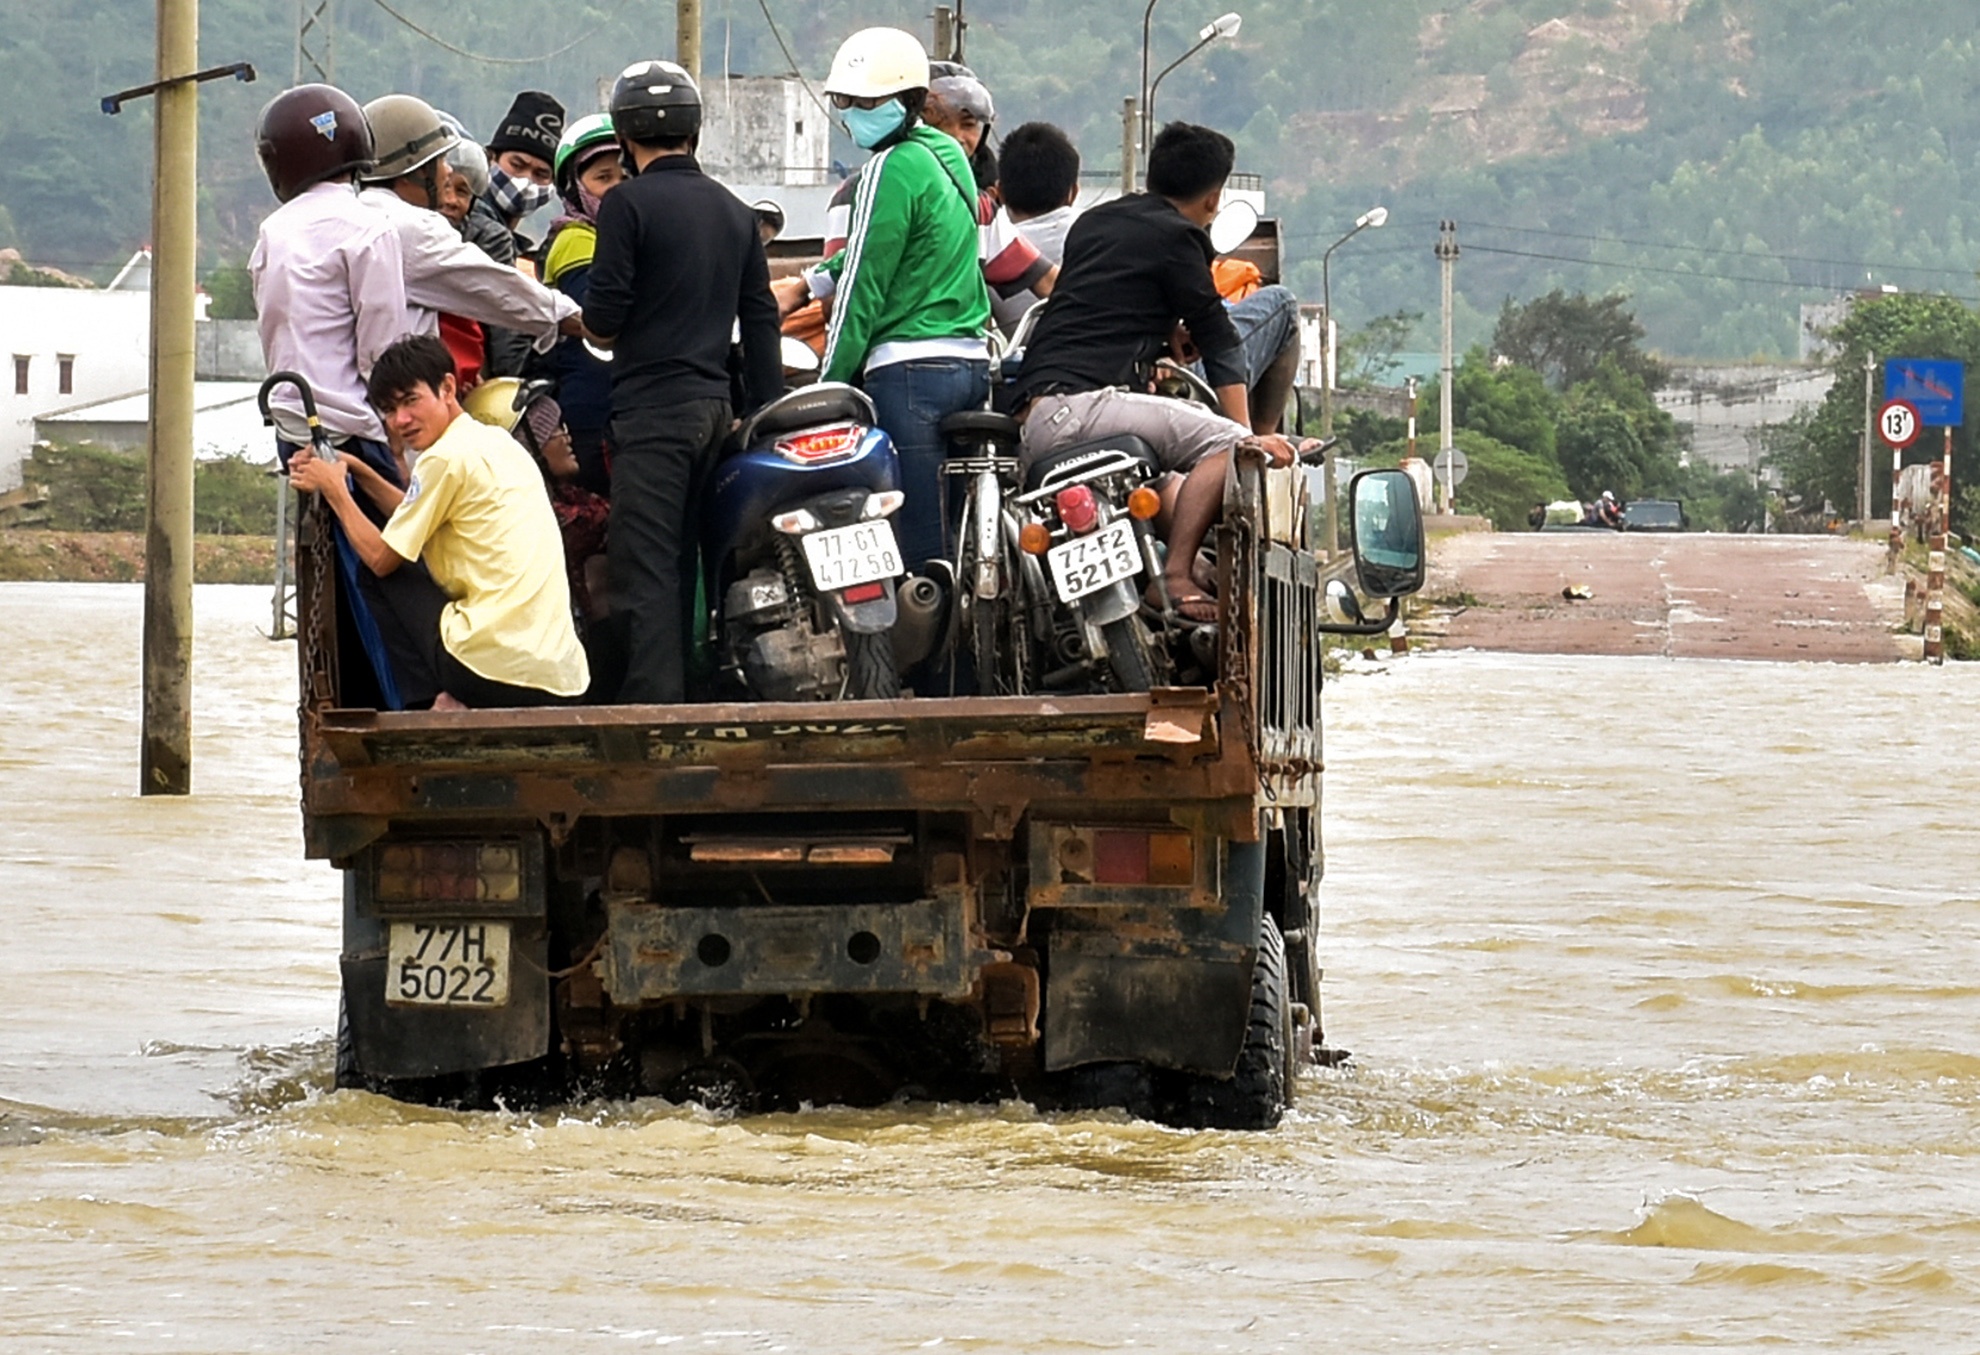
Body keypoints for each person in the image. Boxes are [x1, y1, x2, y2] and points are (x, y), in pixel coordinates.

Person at [1010, 121, 1311, 620]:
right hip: (1089, 407)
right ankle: (1174, 575)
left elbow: (1106, 300)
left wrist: (1161, 332)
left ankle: (1163, 575)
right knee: (1229, 449)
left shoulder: (1094, 223)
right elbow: (1219, 339)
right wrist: (1243, 441)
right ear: (1213, 200)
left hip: (1038, 418)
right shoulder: (1180, 237)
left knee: (1175, 484)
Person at [582, 59, 781, 704]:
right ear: (694, 133)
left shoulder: (625, 204)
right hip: (715, 412)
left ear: (624, 137)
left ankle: (651, 713)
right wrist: (762, 408)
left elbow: (605, 320)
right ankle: (701, 691)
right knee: (697, 560)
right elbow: (760, 318)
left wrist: (592, 323)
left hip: (653, 416)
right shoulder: (734, 211)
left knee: (645, 567)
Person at [778, 27, 993, 575]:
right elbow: (897, 247)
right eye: (848, 102)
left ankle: (929, 665)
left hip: (909, 373)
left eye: (870, 102)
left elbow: (863, 287)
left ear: (910, 102)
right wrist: (811, 281)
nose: (855, 113)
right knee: (967, 541)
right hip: (971, 368)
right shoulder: (947, 158)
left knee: (921, 552)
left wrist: (831, 382)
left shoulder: (887, 168)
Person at [287, 334, 589, 710]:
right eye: (388, 409)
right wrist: (357, 470)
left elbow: (381, 557)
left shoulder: (443, 458)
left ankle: (430, 704)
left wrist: (335, 491)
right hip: (561, 679)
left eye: (411, 400)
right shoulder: (495, 442)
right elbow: (413, 515)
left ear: (447, 388)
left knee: (379, 574)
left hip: (488, 671)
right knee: (398, 554)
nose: (401, 420)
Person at [248, 83, 414, 706]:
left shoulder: (273, 232)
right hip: (357, 442)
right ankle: (403, 712)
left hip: (296, 443)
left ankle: (342, 710)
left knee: (329, 607)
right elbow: (383, 351)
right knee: (390, 594)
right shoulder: (369, 226)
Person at [355, 95, 582, 406]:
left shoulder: (353, 216)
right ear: (414, 168)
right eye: (440, 161)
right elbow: (498, 290)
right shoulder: (412, 228)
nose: (447, 172)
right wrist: (581, 319)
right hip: (395, 413)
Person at [540, 113, 628, 497]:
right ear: (576, 189)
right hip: (593, 412)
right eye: (603, 178)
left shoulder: (624, 242)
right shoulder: (576, 239)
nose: (617, 189)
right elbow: (601, 318)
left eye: (625, 177)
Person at [473, 91, 566, 376]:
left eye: (541, 174)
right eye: (517, 165)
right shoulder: (481, 230)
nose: (526, 181)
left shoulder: (519, 246)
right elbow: (507, 336)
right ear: (491, 158)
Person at [990, 121, 1080, 336]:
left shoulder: (991, 248)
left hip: (1022, 365)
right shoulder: (1098, 232)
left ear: (999, 193)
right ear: (1073, 192)